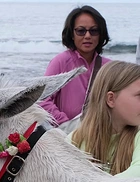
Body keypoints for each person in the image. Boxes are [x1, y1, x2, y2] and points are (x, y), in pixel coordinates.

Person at [39, 5, 111, 133]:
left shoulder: (109, 67)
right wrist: (66, 123)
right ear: (72, 34)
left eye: (94, 31)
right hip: (67, 135)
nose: (87, 36)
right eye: (81, 31)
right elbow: (43, 99)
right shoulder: (61, 62)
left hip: (99, 135)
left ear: (100, 34)